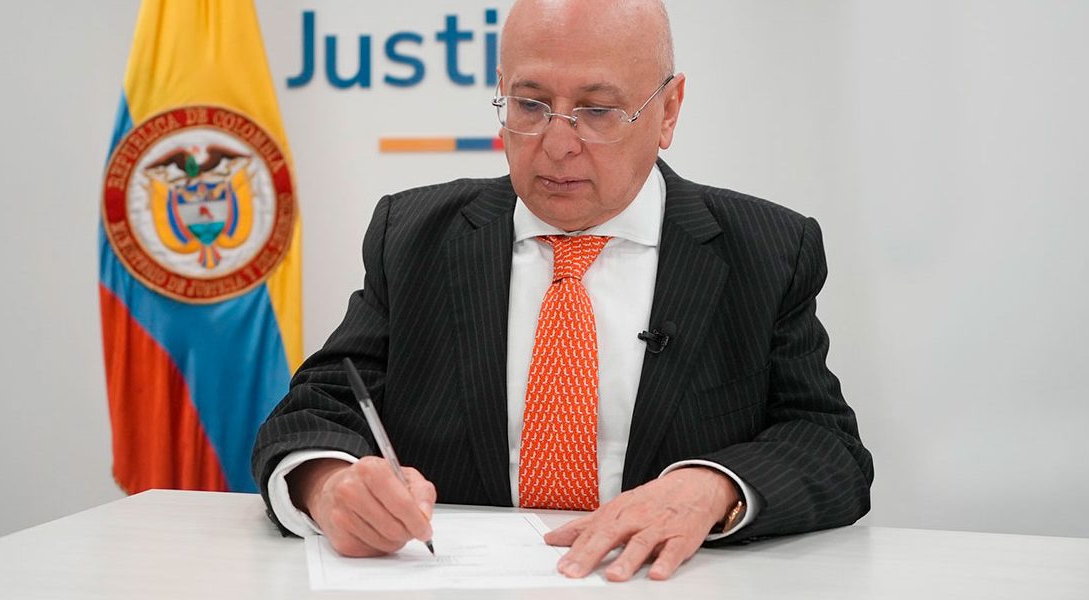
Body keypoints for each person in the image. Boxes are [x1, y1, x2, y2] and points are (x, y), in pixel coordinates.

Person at [252, 0, 872, 582]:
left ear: (669, 110)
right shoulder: (414, 236)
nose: (556, 143)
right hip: (457, 584)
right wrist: (329, 486)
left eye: (597, 111)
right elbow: (316, 408)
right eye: (530, 105)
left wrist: (713, 487)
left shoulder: (765, 250)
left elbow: (828, 447)